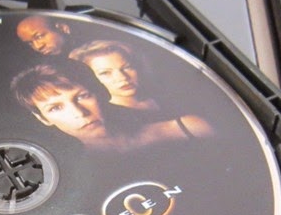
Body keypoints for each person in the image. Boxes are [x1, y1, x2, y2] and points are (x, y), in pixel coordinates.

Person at [11, 63, 209, 152]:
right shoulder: (71, 180)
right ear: (43, 118)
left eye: (82, 96)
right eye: (55, 108)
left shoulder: (188, 127)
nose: (79, 113)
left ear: (100, 94)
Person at [69, 40, 213, 138]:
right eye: (105, 73)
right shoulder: (109, 119)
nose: (122, 77)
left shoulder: (166, 94)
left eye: (127, 67)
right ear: (89, 79)